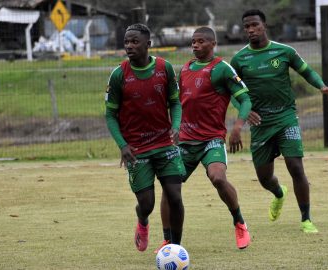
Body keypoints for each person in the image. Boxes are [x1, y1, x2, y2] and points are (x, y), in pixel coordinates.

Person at [230, 9, 328, 233]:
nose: (250, 30)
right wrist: (243, 109)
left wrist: (322, 86)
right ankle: (279, 193)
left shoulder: (284, 51)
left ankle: (306, 219)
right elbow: (233, 91)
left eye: (254, 25)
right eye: (247, 26)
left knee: (296, 167)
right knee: (264, 178)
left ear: (264, 25)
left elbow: (306, 71)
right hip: (260, 123)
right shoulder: (239, 59)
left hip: (286, 116)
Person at [154, 26, 252, 252]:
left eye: (200, 41)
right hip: (185, 141)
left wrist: (237, 127)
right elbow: (177, 103)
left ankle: (239, 222)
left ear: (213, 44)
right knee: (170, 188)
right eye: (193, 41)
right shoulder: (186, 68)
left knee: (217, 177)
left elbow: (245, 99)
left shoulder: (222, 69)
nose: (195, 45)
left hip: (211, 140)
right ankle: (168, 240)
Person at [104, 23, 186, 252]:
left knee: (175, 197)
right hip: (136, 148)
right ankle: (143, 221)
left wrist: (176, 126)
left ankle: (175, 248)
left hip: (165, 144)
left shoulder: (164, 68)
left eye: (134, 42)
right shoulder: (119, 74)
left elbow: (175, 102)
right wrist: (122, 145)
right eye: (126, 42)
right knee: (147, 203)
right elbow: (110, 114)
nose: (129, 46)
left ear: (148, 44)